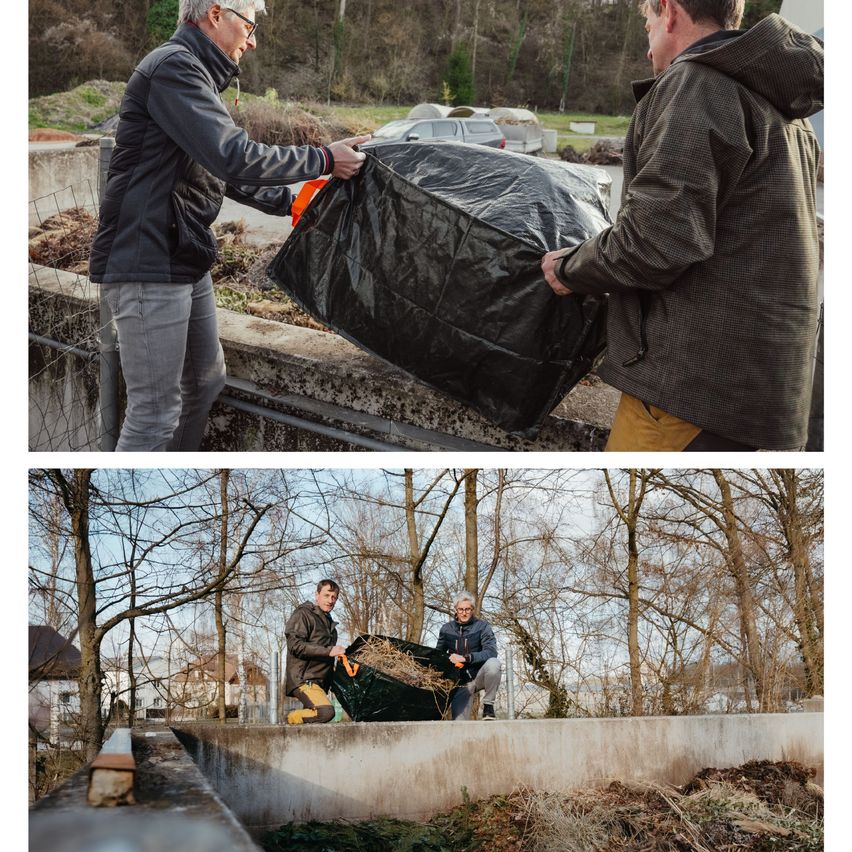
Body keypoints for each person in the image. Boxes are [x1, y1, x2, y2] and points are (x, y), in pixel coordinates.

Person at [541, 1, 823, 452]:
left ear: (669, 12)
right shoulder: (789, 112)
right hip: (766, 398)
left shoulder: (697, 85)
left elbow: (655, 242)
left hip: (689, 396)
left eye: (647, 19)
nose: (647, 32)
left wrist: (569, 267)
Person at [89, 1, 370, 451]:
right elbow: (232, 154)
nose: (253, 40)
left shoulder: (196, 74)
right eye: (250, 25)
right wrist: (324, 158)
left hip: (183, 251)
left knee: (204, 382)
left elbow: (216, 170)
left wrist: (293, 204)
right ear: (217, 13)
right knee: (154, 413)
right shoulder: (173, 69)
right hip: (146, 258)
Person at [284, 579, 346, 725]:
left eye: (334, 597)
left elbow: (326, 659)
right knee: (326, 712)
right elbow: (295, 645)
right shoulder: (303, 615)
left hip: (319, 683)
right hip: (304, 679)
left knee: (313, 719)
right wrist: (329, 651)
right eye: (326, 595)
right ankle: (289, 719)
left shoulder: (331, 629)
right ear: (317, 595)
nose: (330, 600)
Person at [436, 592, 501, 720]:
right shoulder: (446, 629)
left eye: (467, 609)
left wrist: (466, 658)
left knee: (494, 664)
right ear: (456, 610)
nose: (464, 612)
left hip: (478, 676)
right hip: (461, 683)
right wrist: (447, 661)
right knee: (459, 723)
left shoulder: (483, 627)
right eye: (461, 609)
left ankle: (488, 706)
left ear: (472, 610)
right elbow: (438, 654)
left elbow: (491, 652)